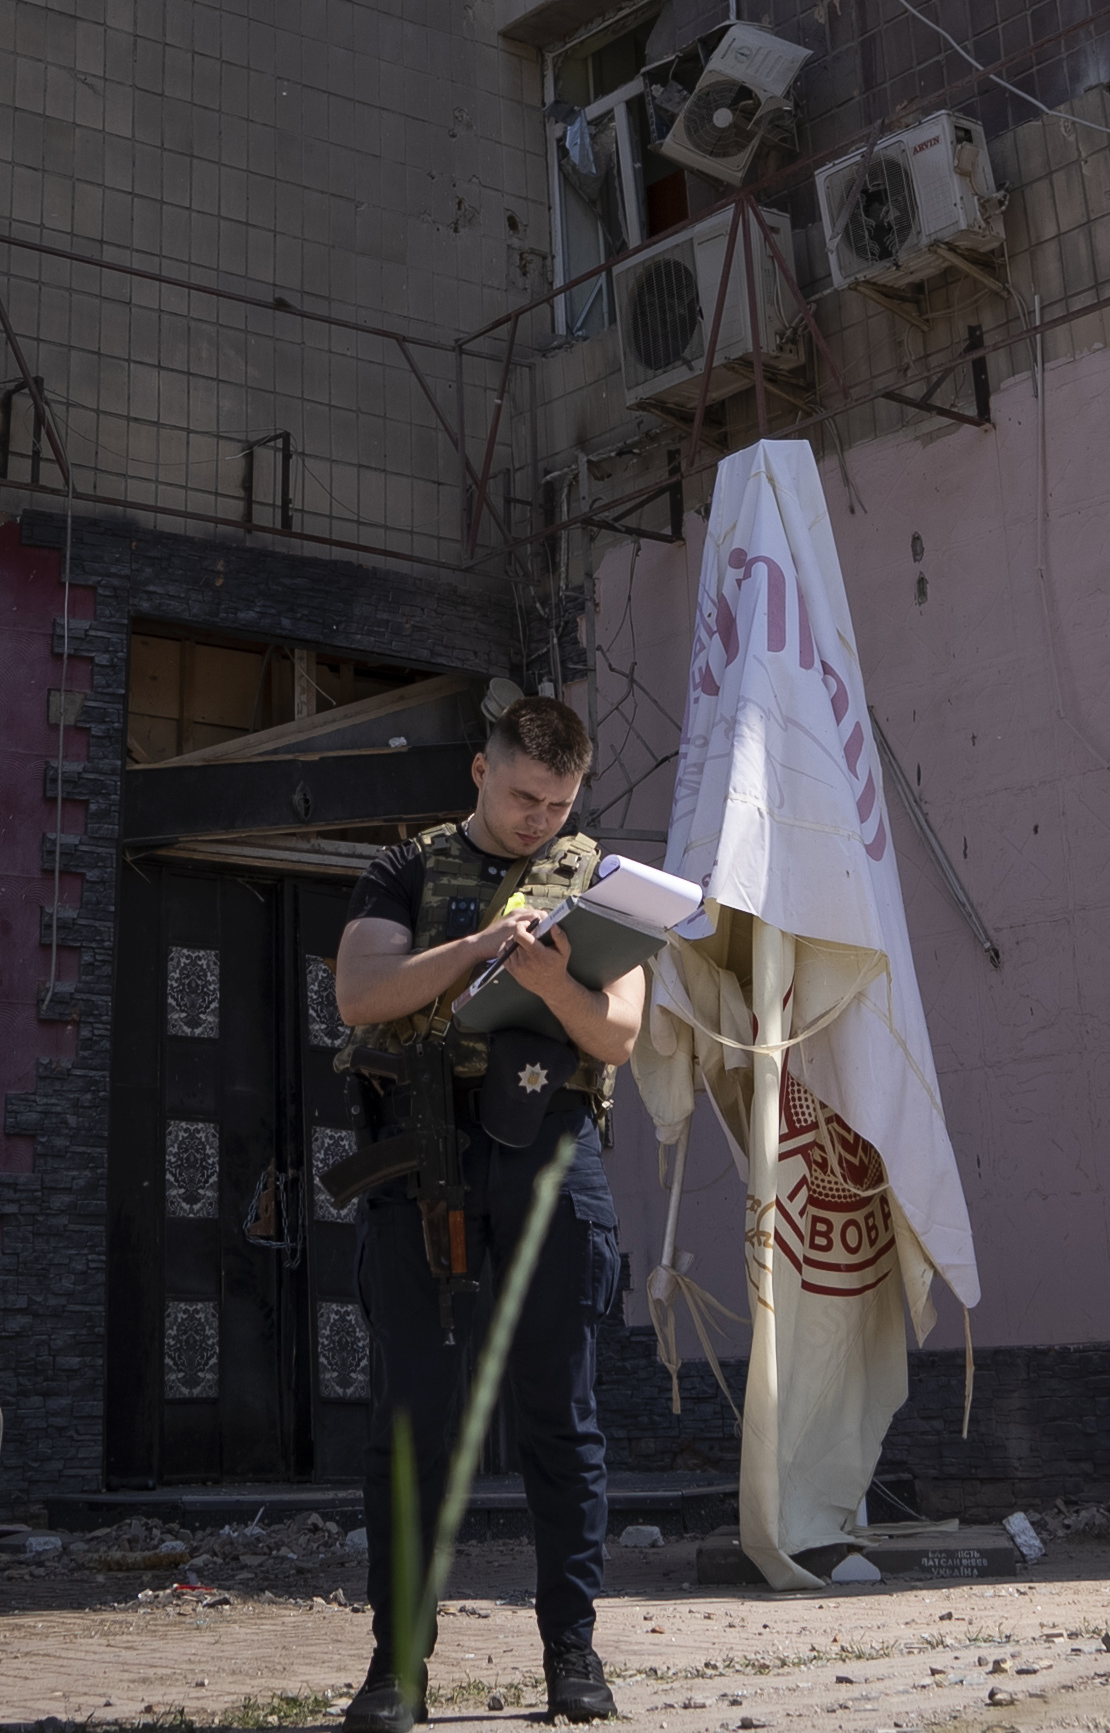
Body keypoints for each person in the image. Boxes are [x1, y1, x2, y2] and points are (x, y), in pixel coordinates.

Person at [334, 694, 645, 1732]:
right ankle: (396, 1667)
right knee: (412, 1416)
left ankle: (573, 1654)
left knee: (562, 1415)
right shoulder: (408, 866)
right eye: (522, 796)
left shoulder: (600, 878)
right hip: (425, 1147)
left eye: (558, 801)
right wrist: (479, 946)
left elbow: (618, 1037)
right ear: (479, 769)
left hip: (552, 1150)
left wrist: (552, 982)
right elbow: (360, 991)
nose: (537, 820)